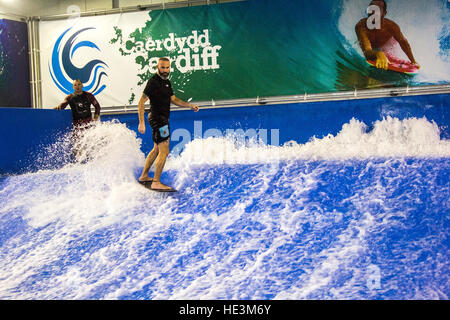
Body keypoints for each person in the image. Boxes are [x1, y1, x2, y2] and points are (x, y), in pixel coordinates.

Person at [137, 57, 199, 191]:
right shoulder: (153, 82)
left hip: (161, 119)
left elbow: (174, 99)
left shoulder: (167, 82)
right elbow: (141, 102)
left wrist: (189, 105)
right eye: (162, 67)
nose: (165, 70)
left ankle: (144, 176)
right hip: (158, 119)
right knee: (164, 150)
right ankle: (156, 182)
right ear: (157, 67)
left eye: (167, 67)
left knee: (157, 149)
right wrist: (141, 122)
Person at [355, 0, 420, 70]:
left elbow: (403, 42)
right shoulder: (361, 26)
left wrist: (413, 61)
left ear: (384, 13)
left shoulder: (391, 27)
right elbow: (366, 51)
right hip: (372, 49)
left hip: (386, 46)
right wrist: (378, 54)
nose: (373, 12)